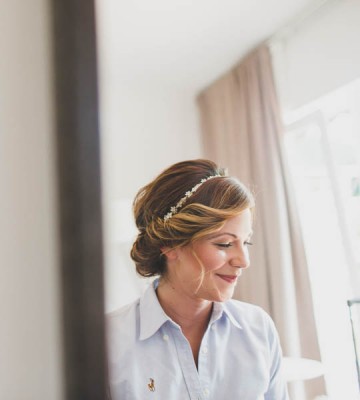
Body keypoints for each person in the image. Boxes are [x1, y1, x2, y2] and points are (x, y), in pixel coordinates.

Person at [106, 159, 289, 400]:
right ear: (170, 244)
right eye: (224, 243)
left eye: (246, 242)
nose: (243, 261)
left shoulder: (259, 329)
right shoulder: (108, 342)